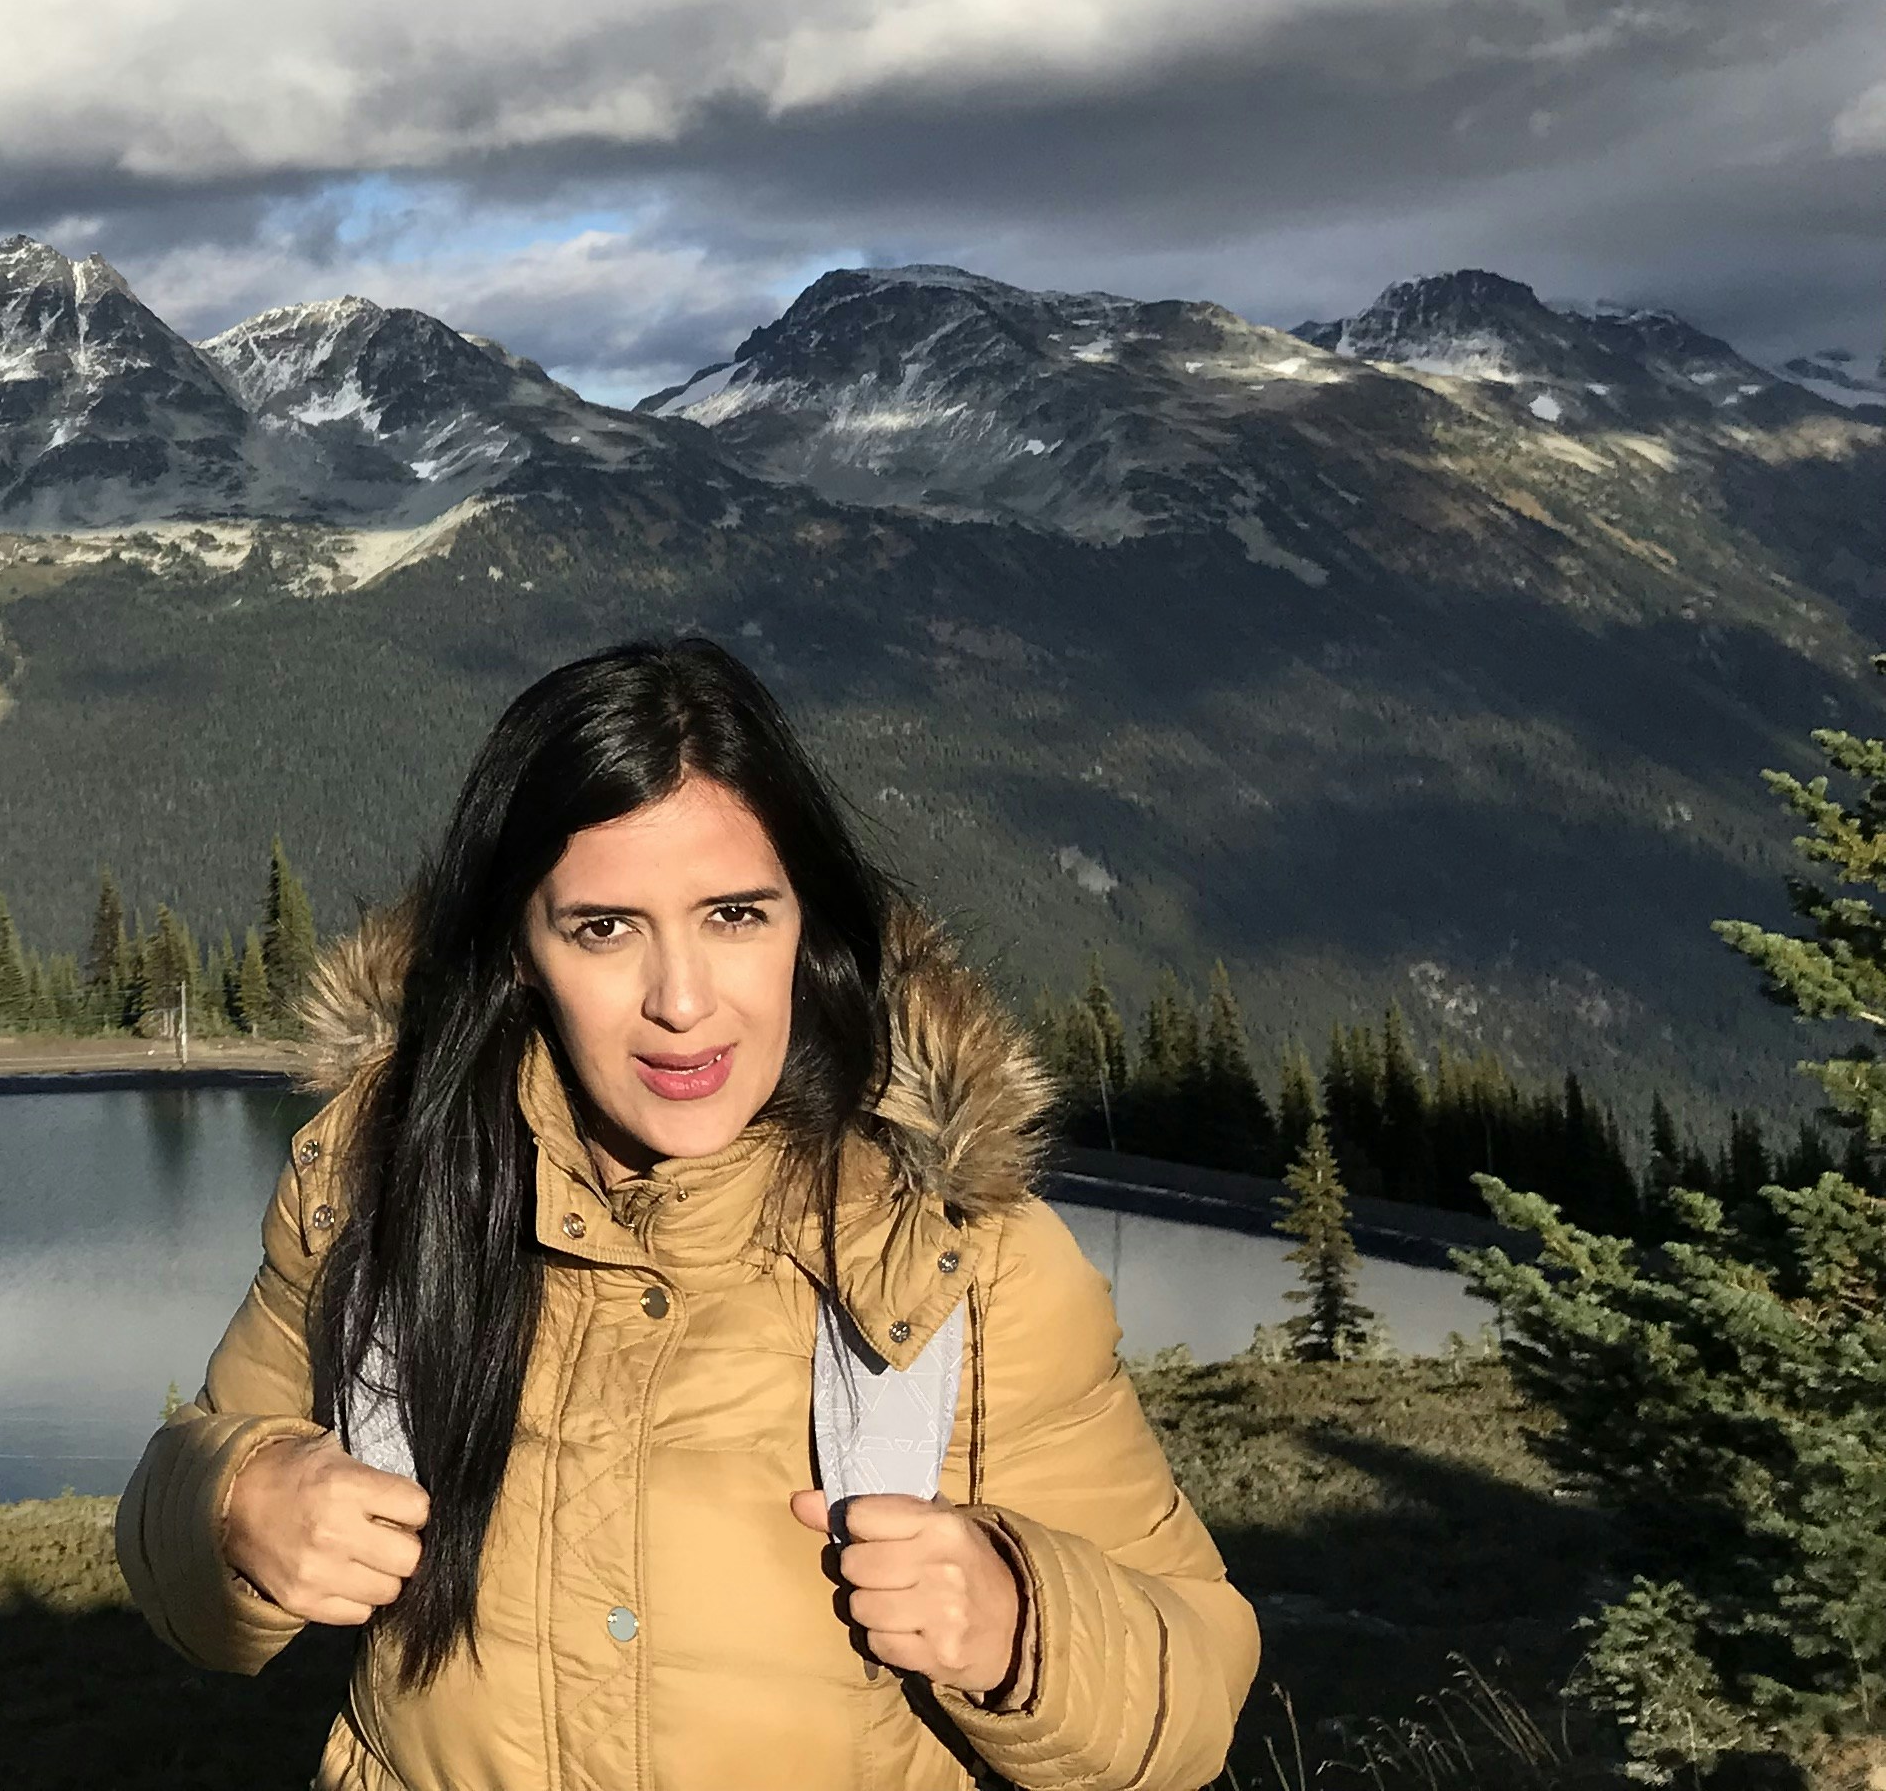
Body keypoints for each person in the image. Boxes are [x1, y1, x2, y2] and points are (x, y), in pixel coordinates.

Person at [117, 638, 1256, 1790]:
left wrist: (1022, 1626)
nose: (682, 1001)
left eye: (735, 916)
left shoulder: (958, 1258)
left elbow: (1199, 1682)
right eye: (604, 928)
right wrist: (237, 1506)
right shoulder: (377, 1187)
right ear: (520, 950)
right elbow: (184, 1542)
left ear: (805, 922)